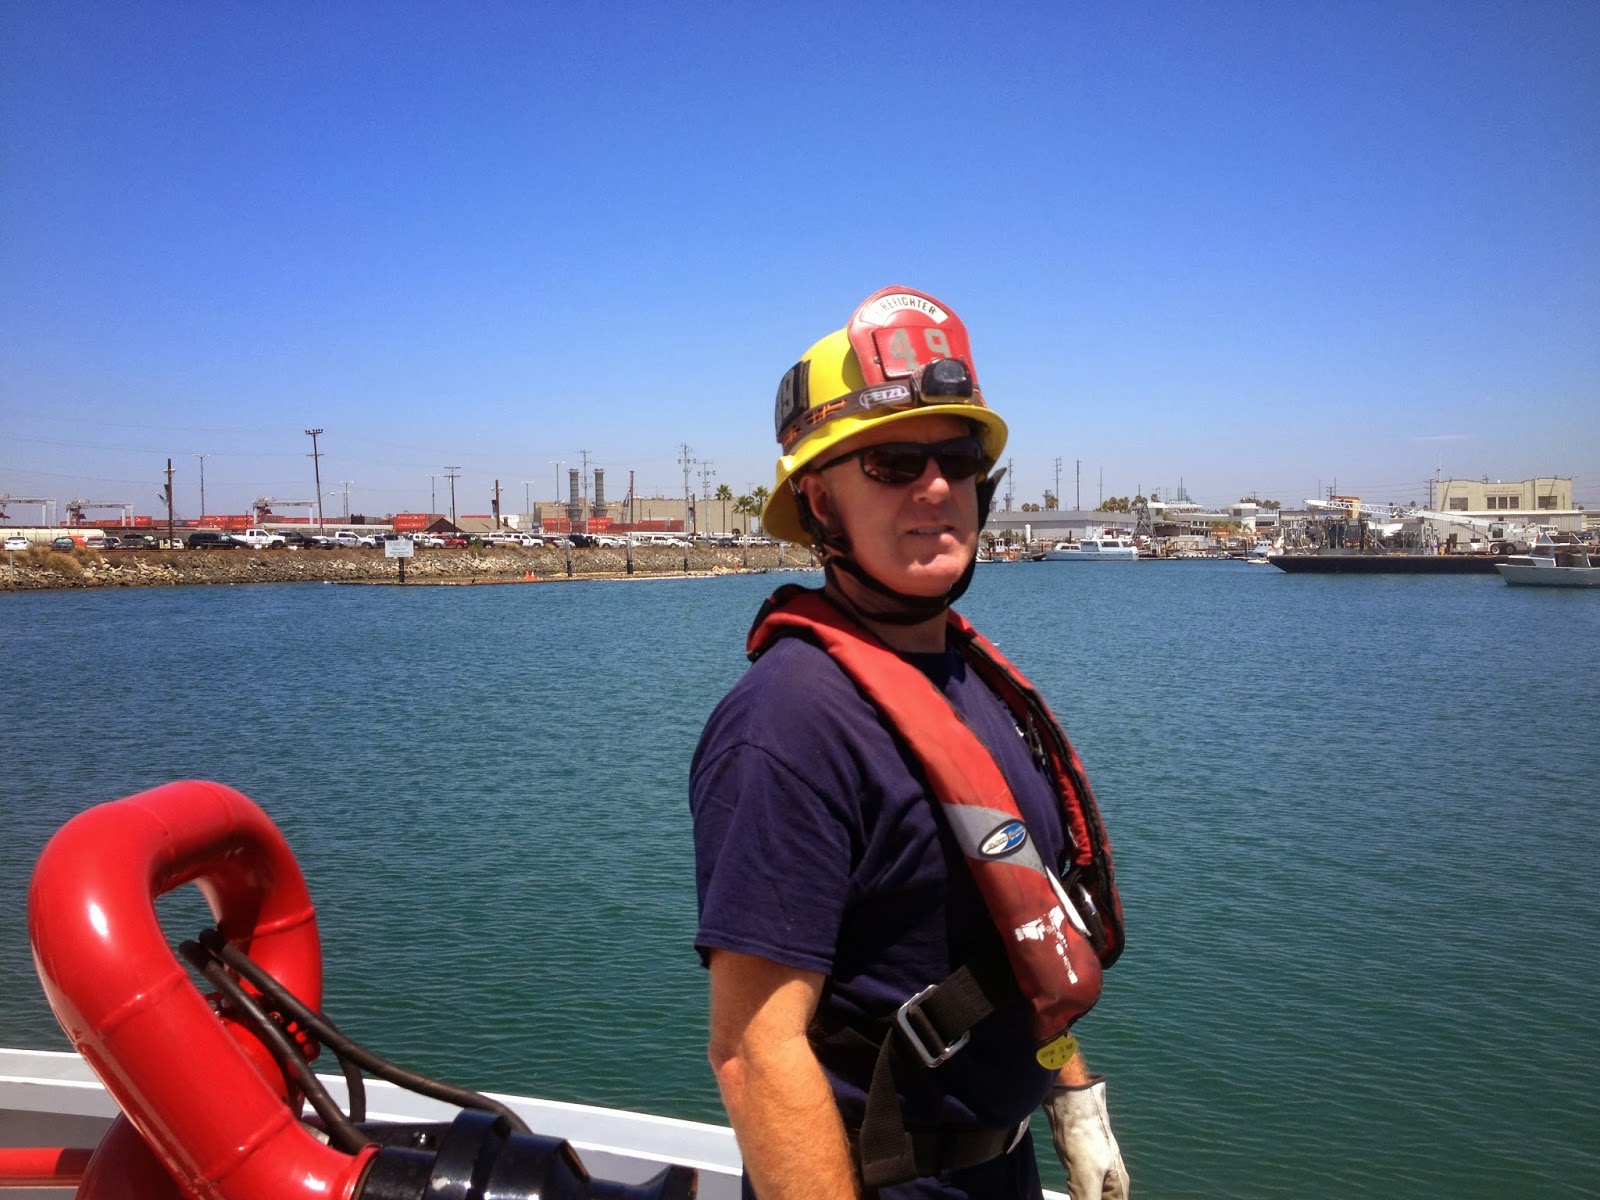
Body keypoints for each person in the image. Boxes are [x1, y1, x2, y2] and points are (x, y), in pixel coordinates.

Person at [690, 286, 1129, 1200]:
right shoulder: (790, 725)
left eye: (957, 457)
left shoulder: (973, 689)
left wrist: (1074, 1100)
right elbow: (753, 1052)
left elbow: (1020, 930)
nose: (936, 486)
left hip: (1003, 1169)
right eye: (892, 462)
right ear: (818, 502)